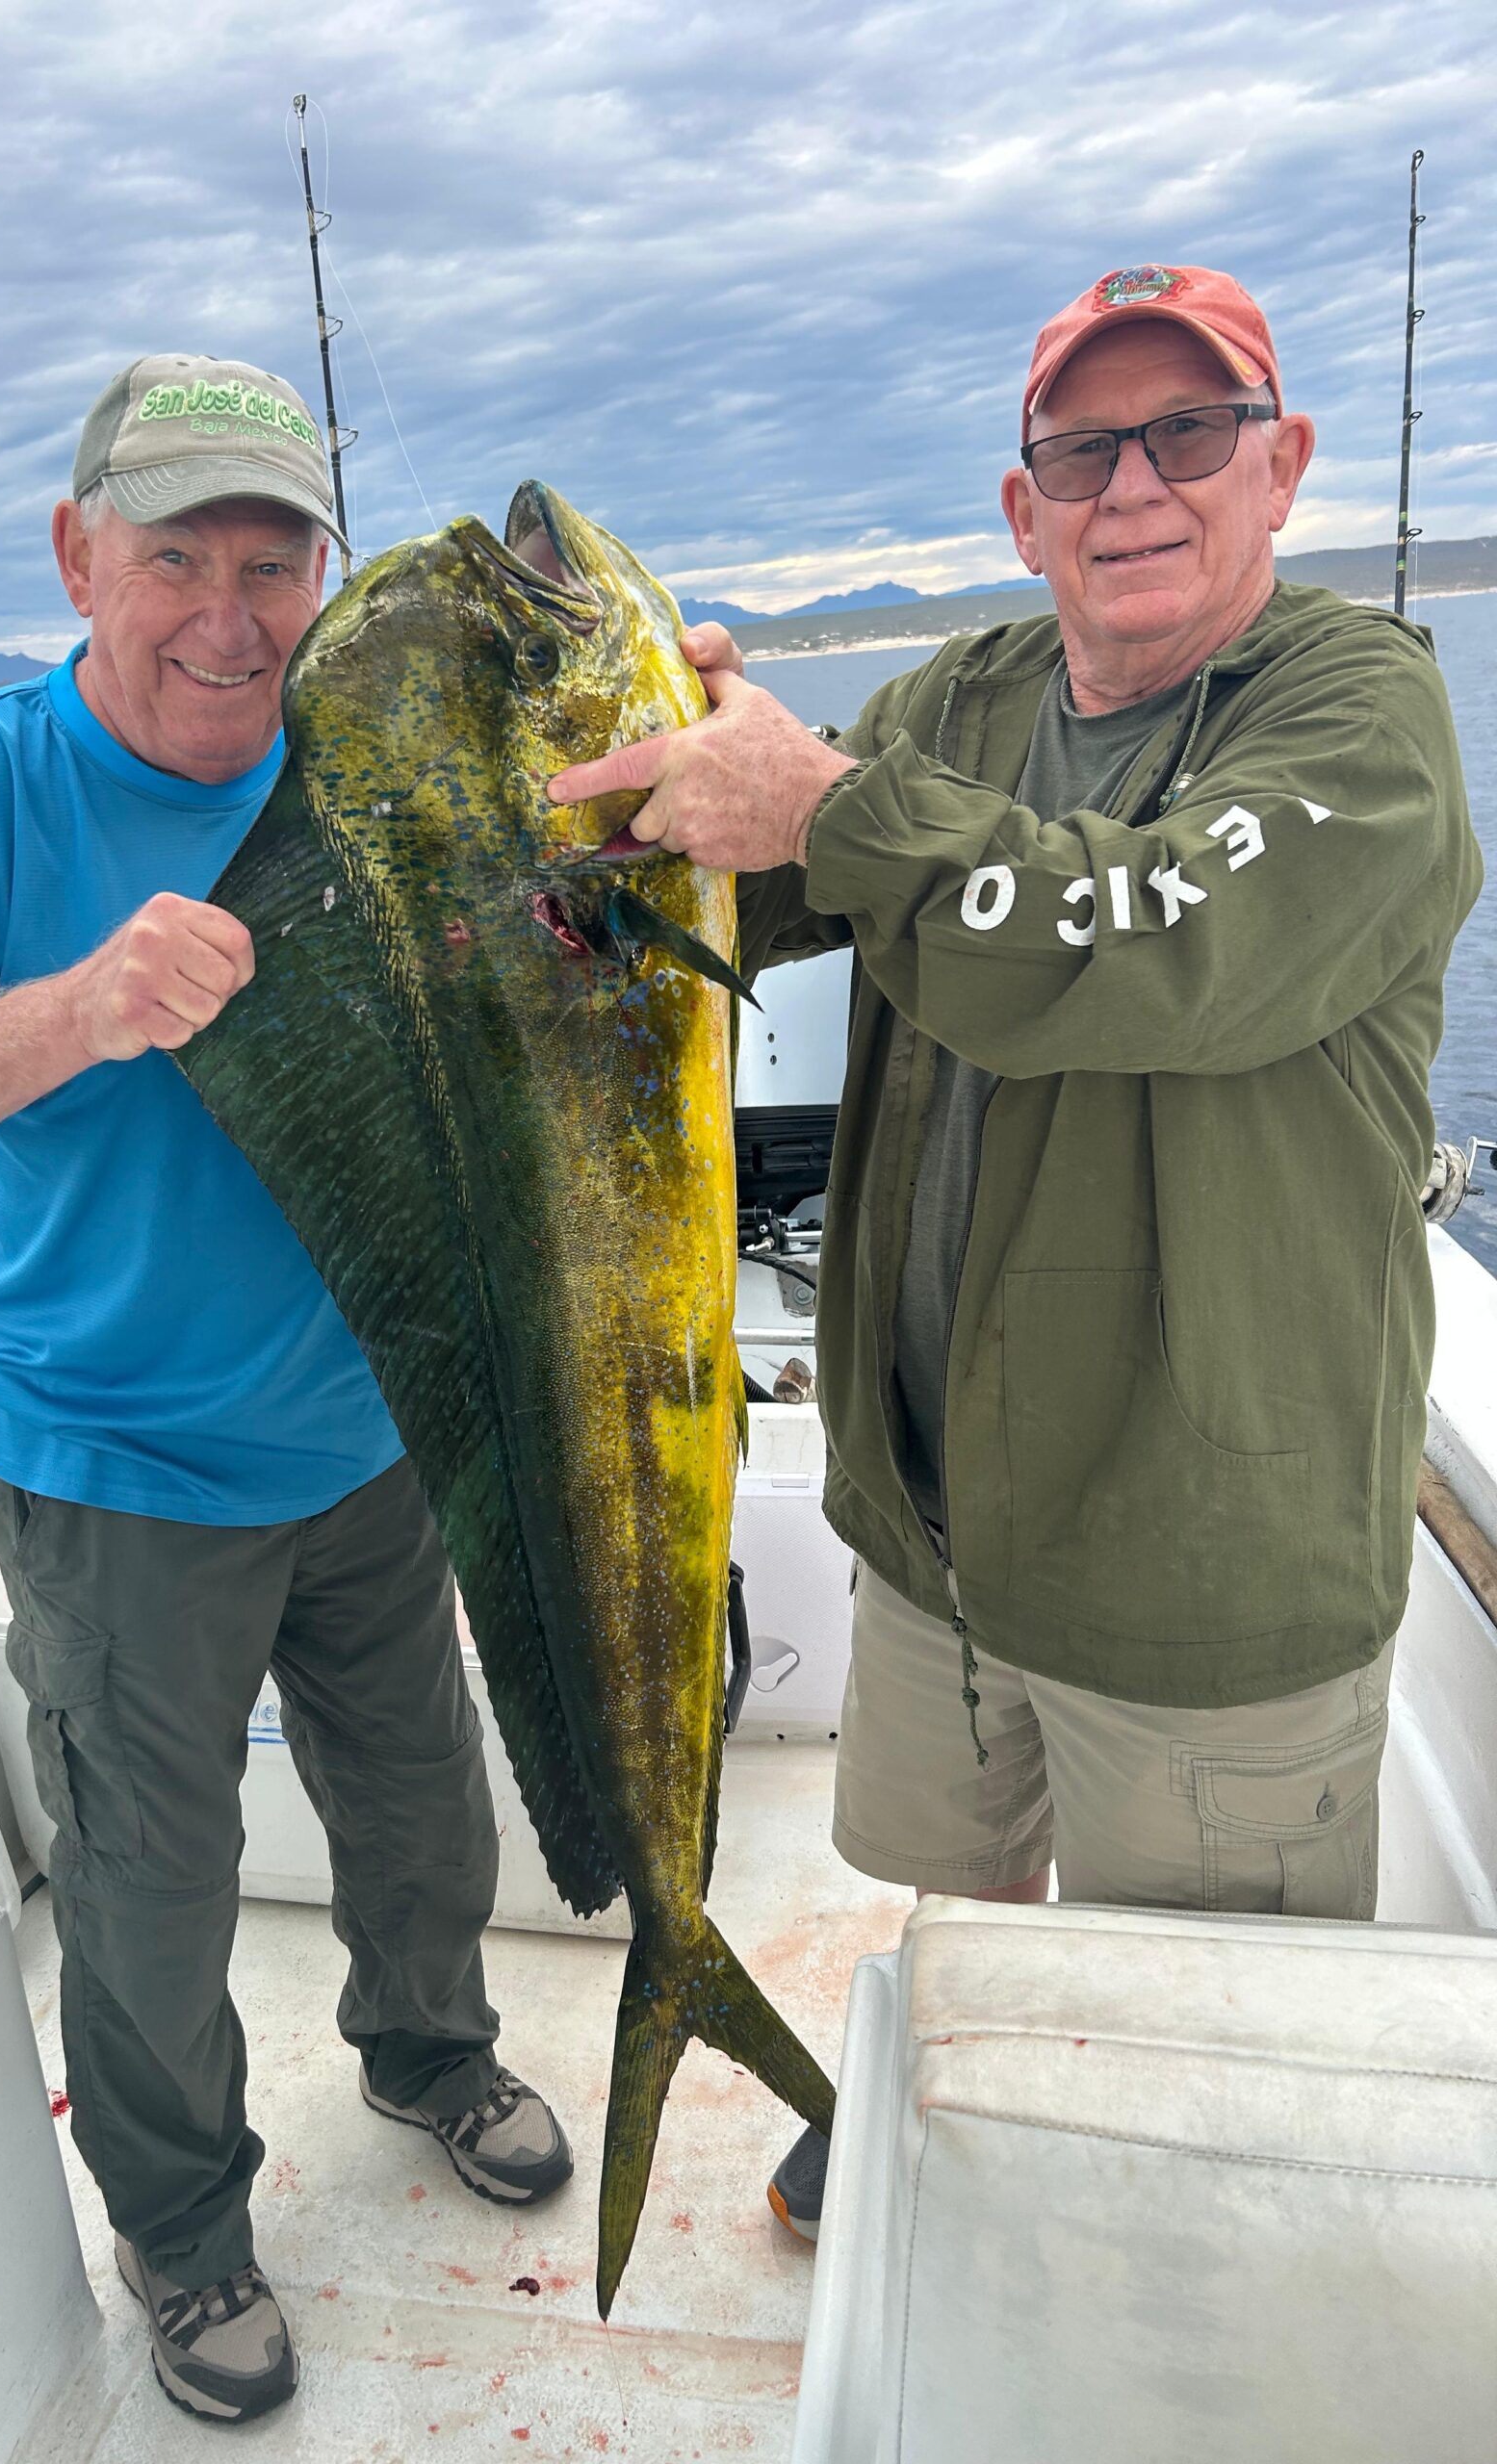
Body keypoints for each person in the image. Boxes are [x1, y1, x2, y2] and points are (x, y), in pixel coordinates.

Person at [547, 265, 1483, 2243]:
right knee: (954, 1904)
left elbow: (1145, 939)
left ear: (1280, 464)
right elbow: (770, 874)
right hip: (941, 1521)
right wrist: (655, 773)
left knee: (1203, 2050)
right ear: (1021, 500)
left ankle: (1153, 2240)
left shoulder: (1361, 712)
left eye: (1188, 433)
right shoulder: (955, 703)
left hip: (1206, 1555)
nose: (1133, 482)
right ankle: (948, 2093)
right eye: (1083, 447)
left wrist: (823, 800)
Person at [0, 354, 571, 2426]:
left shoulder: (375, 762)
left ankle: (434, 2050)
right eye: (173, 553)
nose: (227, 607)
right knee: (144, 1882)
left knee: (417, 1793)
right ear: (74, 558)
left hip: (382, 1425)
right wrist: (77, 1012)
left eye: (272, 555)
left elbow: (576, 898)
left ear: (326, 572)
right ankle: (187, 2234)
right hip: (111, 1462)